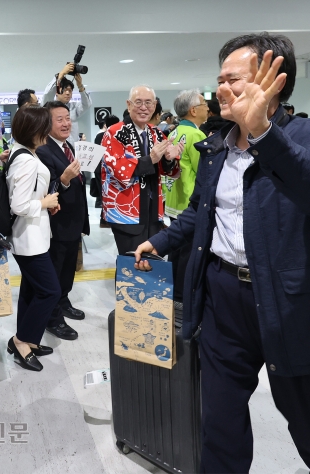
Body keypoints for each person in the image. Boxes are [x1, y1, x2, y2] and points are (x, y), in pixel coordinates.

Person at [134, 33, 310, 472]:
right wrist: (160, 241)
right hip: (221, 294)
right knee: (219, 416)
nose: (222, 91)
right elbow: (200, 212)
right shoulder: (217, 147)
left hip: (287, 302)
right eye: (219, 81)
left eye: (236, 80)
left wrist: (265, 134)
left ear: (275, 83)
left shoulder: (302, 136)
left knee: (304, 414)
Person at [6, 106, 60, 372]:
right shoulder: (26, 159)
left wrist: (45, 203)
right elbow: (18, 205)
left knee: (33, 289)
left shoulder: (25, 154)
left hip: (33, 235)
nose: (48, 131)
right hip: (28, 238)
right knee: (50, 291)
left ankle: (27, 339)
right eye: (45, 126)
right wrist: (44, 202)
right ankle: (21, 341)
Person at [100, 85, 182, 255]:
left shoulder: (157, 133)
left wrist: (168, 159)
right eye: (138, 102)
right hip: (126, 213)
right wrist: (150, 159)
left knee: (151, 263)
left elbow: (169, 172)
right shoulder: (114, 133)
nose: (144, 107)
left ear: (155, 105)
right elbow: (118, 170)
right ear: (129, 105)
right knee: (131, 266)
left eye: (149, 103)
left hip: (154, 211)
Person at [37, 101, 90, 342]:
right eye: (59, 119)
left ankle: (64, 301)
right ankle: (53, 318)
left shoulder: (69, 146)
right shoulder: (42, 151)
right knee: (56, 272)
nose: (66, 123)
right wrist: (65, 179)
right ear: (47, 123)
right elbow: (47, 190)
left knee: (68, 269)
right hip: (57, 224)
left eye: (67, 118)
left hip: (74, 221)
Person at [161, 89, 208, 308]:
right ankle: (181, 299)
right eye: (203, 103)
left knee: (176, 251)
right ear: (193, 110)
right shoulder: (196, 135)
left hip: (173, 201)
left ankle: (174, 294)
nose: (207, 107)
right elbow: (205, 172)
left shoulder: (174, 132)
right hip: (189, 202)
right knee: (188, 254)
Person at [42, 63, 92, 143]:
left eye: (70, 90)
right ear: (57, 91)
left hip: (72, 149)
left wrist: (80, 87)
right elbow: (47, 95)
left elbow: (87, 104)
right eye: (65, 90)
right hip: (55, 147)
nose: (68, 93)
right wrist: (61, 74)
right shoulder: (49, 107)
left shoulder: (73, 107)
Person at [93, 115, 120, 228]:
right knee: (111, 195)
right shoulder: (116, 135)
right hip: (110, 170)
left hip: (98, 169)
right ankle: (106, 219)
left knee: (103, 195)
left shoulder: (99, 136)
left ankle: (104, 220)